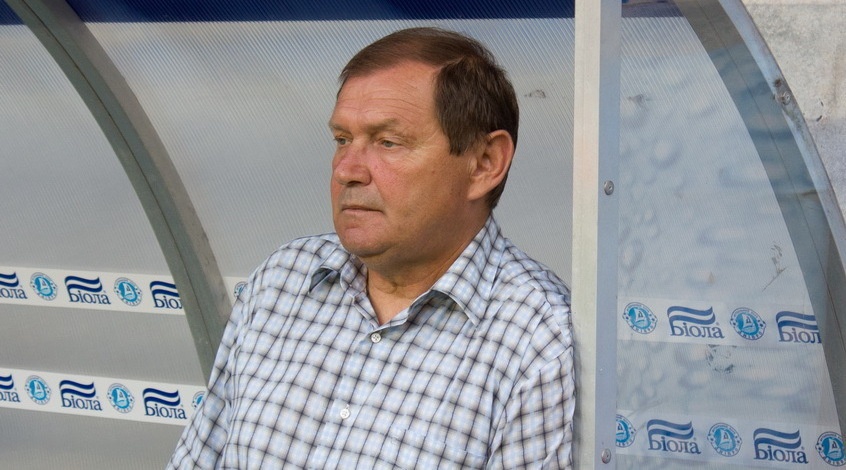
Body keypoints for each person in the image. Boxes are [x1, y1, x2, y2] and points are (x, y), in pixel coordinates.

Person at [168, 26, 574, 469]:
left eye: (388, 142)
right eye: (342, 140)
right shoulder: (282, 280)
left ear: (484, 163)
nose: (347, 170)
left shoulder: (539, 340)